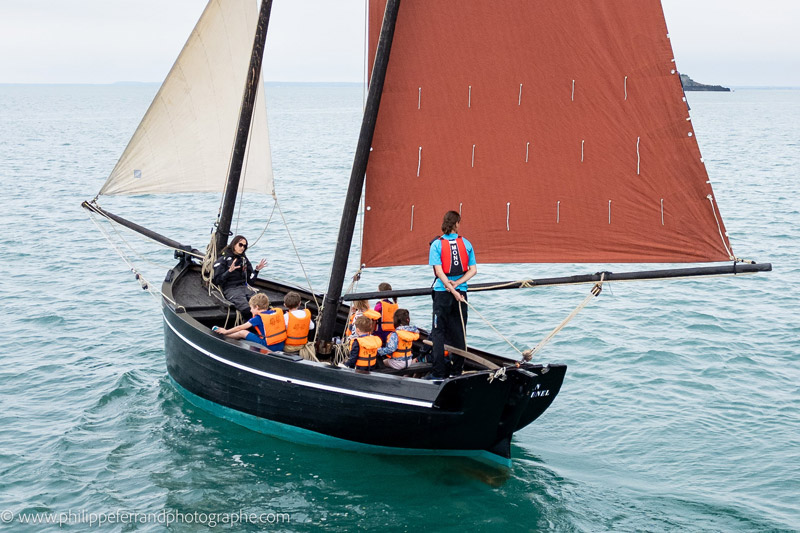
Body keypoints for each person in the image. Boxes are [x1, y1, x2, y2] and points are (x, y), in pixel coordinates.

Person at [428, 210, 477, 378]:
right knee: (459, 332)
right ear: (457, 224)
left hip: (442, 293)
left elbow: (439, 271)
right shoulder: (467, 243)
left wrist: (449, 286)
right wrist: (457, 284)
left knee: (438, 332)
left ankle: (438, 372)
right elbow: (473, 270)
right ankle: (457, 371)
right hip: (461, 293)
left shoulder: (436, 245)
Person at [212, 235, 267, 315]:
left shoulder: (243, 259)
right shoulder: (223, 259)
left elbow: (250, 281)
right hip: (231, 289)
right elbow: (217, 281)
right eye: (240, 245)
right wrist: (229, 271)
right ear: (234, 244)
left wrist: (256, 271)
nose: (242, 248)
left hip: (244, 287)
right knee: (247, 310)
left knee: (262, 306)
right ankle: (251, 325)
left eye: (244, 246)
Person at [213, 293, 287, 352]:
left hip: (269, 346)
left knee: (243, 332)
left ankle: (223, 335)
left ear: (257, 307)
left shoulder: (258, 318)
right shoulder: (275, 312)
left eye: (251, 308)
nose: (250, 310)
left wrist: (226, 331)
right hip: (281, 345)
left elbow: (240, 327)